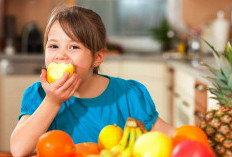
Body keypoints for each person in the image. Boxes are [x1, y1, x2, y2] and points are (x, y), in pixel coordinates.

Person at [10, 5, 175, 157]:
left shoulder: (128, 95)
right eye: (53, 46)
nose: (60, 55)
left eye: (74, 47)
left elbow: (173, 138)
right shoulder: (39, 95)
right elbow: (18, 150)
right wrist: (53, 101)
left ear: (97, 57)